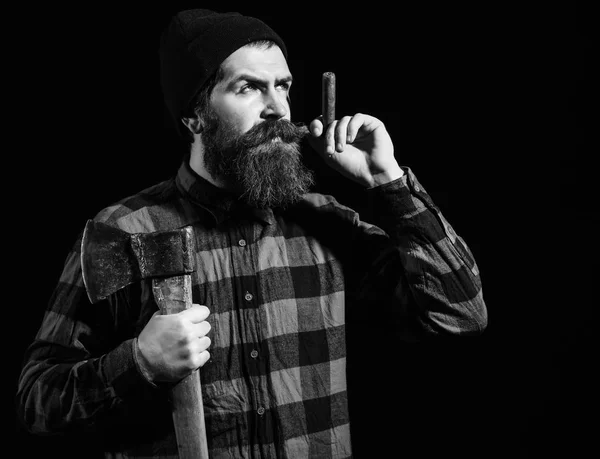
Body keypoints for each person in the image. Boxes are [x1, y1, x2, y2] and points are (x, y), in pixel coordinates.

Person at [16, 8, 487, 459]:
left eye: (283, 87)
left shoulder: (327, 223)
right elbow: (37, 400)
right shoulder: (123, 232)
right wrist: (137, 364)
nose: (277, 109)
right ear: (194, 116)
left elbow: (460, 312)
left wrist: (389, 181)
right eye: (248, 89)